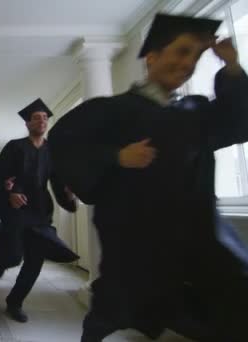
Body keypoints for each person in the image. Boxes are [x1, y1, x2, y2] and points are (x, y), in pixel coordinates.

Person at [48, 13, 248, 342]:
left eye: (195, 56)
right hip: (134, 247)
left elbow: (237, 123)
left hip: (197, 240)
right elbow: (65, 144)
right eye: (181, 52)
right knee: (109, 314)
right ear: (152, 57)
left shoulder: (195, 112)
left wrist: (232, 68)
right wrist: (115, 156)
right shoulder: (110, 110)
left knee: (232, 301)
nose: (188, 63)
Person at [0, 98, 79, 323]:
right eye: (36, 118)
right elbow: (0, 176)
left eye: (45, 118)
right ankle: (2, 260)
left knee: (34, 262)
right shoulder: (14, 146)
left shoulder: (52, 150)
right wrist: (9, 194)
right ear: (28, 123)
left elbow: (58, 181)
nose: (42, 121)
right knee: (13, 253)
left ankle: (15, 302)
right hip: (17, 208)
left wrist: (69, 194)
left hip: (40, 208)